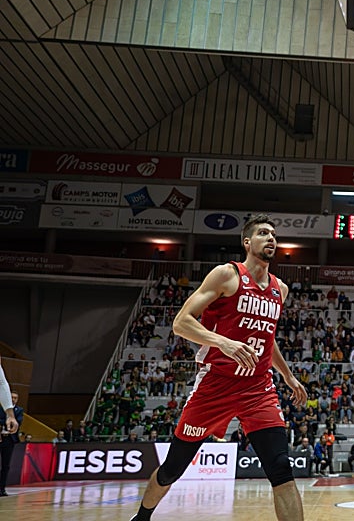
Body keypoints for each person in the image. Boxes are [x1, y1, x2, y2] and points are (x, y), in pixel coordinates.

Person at [127, 215, 307, 521]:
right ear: (247, 242)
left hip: (257, 388)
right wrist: (224, 343)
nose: (271, 238)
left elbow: (268, 337)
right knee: (173, 468)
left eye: (274, 235)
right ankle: (142, 517)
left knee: (281, 468)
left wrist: (288, 376)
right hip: (216, 384)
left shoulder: (280, 289)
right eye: (263, 233)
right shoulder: (226, 275)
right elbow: (181, 323)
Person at [0, 376, 22, 497]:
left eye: (15, 398)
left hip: (9, 439)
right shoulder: (1, 406)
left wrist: (9, 418)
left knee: (6, 465)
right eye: (11, 397)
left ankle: (2, 488)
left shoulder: (19, 410)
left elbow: (18, 422)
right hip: (0, 437)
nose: (13, 399)